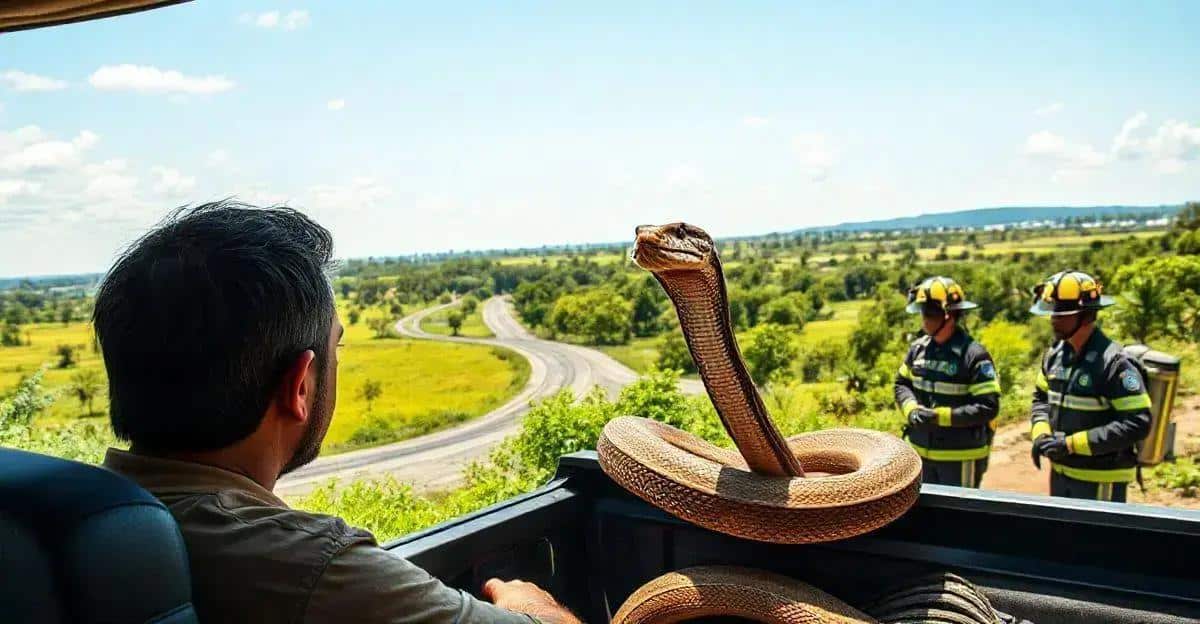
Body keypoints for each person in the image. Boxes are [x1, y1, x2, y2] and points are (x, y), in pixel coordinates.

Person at [93, 201, 579, 624]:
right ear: (299, 385)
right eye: (336, 349)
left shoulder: (68, 515)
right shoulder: (302, 565)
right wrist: (531, 606)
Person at [1028, 270, 1152, 502]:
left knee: (1096, 540)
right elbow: (1041, 399)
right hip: (1061, 475)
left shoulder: (1114, 364)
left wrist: (1071, 445)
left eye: (1062, 314)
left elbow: (1138, 422)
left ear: (1086, 316)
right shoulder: (1054, 356)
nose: (1053, 319)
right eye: (1052, 312)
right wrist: (1041, 434)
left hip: (1101, 482)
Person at [894, 276, 1001, 487]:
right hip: (919, 455)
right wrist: (911, 410)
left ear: (950, 316)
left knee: (957, 519)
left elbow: (988, 407)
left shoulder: (973, 356)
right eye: (922, 312)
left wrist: (937, 417)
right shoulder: (918, 350)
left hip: (959, 458)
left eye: (930, 313)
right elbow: (902, 384)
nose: (924, 319)